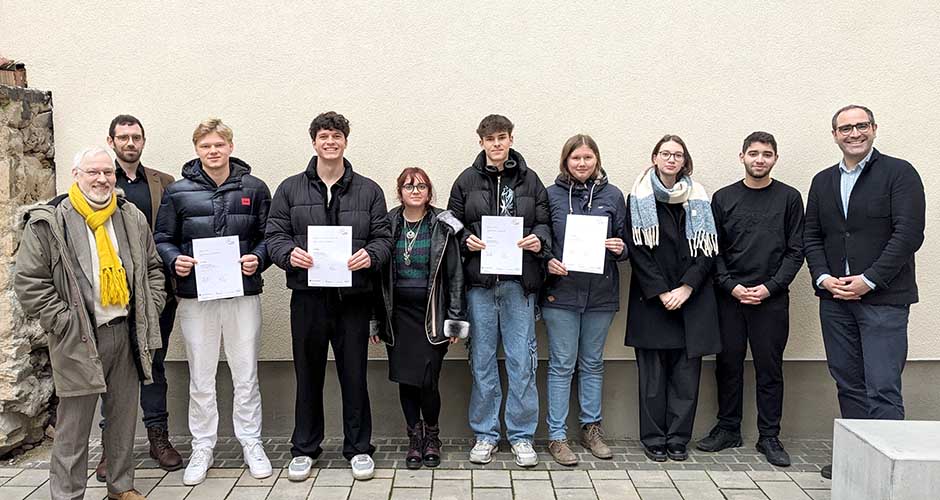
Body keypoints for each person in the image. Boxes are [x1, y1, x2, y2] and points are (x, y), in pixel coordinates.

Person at [15, 147, 165, 500]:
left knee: (123, 418)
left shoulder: (130, 216)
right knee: (74, 425)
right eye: (93, 172)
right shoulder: (50, 221)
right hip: (78, 335)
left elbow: (154, 269)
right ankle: (67, 494)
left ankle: (121, 487)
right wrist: (63, 321)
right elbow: (29, 282)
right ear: (76, 175)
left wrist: (150, 307)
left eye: (107, 173)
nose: (102, 179)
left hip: (125, 331)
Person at [265, 111, 392, 481]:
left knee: (355, 375)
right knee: (308, 375)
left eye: (336, 135)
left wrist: (371, 255)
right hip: (307, 298)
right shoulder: (290, 188)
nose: (330, 142)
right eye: (324, 136)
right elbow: (275, 235)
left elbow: (383, 237)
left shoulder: (368, 190)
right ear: (314, 142)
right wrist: (289, 254)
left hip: (353, 299)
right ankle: (305, 448)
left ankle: (358, 448)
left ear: (346, 142)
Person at [804, 105, 925, 479]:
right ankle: (857, 460)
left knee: (883, 386)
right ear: (835, 134)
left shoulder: (899, 173)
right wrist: (824, 278)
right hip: (835, 300)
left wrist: (869, 279)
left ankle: (885, 468)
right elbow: (813, 236)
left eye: (860, 126)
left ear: (873, 128)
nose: (853, 134)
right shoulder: (823, 181)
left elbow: (908, 235)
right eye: (845, 128)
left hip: (883, 301)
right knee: (849, 383)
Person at [153, 118, 273, 485]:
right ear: (197, 150)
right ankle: (203, 445)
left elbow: (271, 235)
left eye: (219, 144)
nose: (213, 151)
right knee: (201, 376)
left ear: (230, 147)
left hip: (241, 293)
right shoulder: (179, 191)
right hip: (196, 297)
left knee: (245, 374)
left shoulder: (254, 187)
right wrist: (175, 260)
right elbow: (161, 237)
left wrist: (259, 257)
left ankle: (251, 442)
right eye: (206, 146)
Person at [447, 114, 552, 467]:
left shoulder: (530, 180)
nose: (496, 144)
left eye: (502, 137)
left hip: (519, 285)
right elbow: (451, 220)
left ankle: (522, 436)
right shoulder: (466, 180)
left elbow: (544, 222)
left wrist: (539, 240)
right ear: (481, 142)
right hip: (479, 286)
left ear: (510, 139)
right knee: (482, 361)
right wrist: (465, 239)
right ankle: (486, 435)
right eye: (490, 139)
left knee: (522, 361)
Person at [697, 132, 804, 467]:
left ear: (775, 158)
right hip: (730, 298)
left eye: (767, 154)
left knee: (769, 368)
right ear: (741, 156)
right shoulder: (723, 198)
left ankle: (769, 435)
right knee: (727, 364)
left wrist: (770, 287)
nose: (760, 159)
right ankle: (728, 428)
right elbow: (711, 248)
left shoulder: (789, 198)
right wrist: (730, 285)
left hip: (771, 299)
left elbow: (796, 250)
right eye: (754, 153)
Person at [95, 115, 182, 482]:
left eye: (136, 137)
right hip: (111, 294)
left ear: (143, 141)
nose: (130, 143)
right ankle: (112, 449)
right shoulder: (98, 180)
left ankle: (158, 437)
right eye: (123, 137)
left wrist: (160, 294)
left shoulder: (164, 182)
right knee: (110, 371)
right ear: (111, 141)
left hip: (154, 290)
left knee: (154, 365)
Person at [625, 134, 721, 462]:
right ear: (654, 157)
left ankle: (678, 438)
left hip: (691, 300)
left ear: (684, 161)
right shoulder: (638, 197)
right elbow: (637, 249)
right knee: (651, 379)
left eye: (677, 155)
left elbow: (709, 250)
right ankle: (653, 438)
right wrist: (663, 291)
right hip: (652, 300)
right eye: (665, 153)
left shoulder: (700, 198)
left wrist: (687, 287)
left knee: (685, 377)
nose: (671, 159)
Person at [372, 167, 469, 469]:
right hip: (397, 317)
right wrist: (375, 320)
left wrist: (454, 319)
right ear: (399, 191)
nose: (415, 191)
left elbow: (455, 274)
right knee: (407, 381)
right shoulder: (387, 223)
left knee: (428, 380)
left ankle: (433, 436)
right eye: (408, 186)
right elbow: (377, 280)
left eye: (421, 186)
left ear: (429, 192)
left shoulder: (443, 223)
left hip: (432, 315)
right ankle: (414, 437)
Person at [541, 134, 627, 466]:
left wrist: (621, 249)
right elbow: (541, 234)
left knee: (592, 363)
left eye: (588, 158)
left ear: (597, 160)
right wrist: (547, 258)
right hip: (561, 293)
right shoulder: (550, 196)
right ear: (565, 162)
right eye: (575, 158)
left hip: (601, 294)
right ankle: (557, 436)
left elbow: (627, 241)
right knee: (562, 365)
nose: (581, 163)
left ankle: (592, 429)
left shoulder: (613, 195)